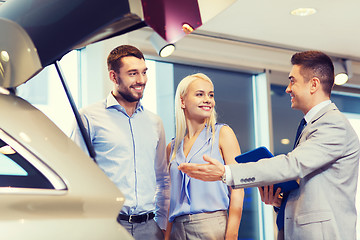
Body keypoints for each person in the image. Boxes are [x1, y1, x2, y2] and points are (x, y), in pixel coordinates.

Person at [178, 51, 360, 240]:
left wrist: (227, 173)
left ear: (313, 84)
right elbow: (312, 188)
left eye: (293, 81)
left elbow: (293, 165)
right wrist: (280, 201)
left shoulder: (333, 124)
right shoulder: (310, 126)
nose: (288, 88)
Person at [70, 45, 170, 240]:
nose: (141, 80)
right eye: (132, 73)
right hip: (107, 226)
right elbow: (75, 175)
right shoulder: (88, 118)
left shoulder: (154, 122)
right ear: (113, 77)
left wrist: (163, 224)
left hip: (150, 228)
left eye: (144, 72)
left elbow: (163, 179)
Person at [164, 73, 244, 240]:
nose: (208, 99)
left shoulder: (223, 134)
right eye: (200, 94)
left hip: (212, 226)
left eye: (211, 95)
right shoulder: (171, 147)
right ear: (182, 101)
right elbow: (169, 198)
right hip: (176, 228)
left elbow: (238, 187)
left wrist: (232, 235)